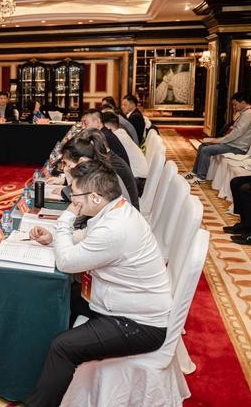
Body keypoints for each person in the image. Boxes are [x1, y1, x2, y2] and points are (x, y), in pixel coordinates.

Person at [23, 160, 170, 406]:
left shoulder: (115, 229)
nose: (72, 199)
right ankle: (38, 368)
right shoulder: (117, 208)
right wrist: (54, 238)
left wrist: (66, 218)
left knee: (63, 347)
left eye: (74, 194)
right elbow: (88, 237)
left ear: (94, 197)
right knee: (59, 295)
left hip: (138, 324)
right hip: (118, 300)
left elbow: (66, 262)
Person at [184, 92, 251, 184]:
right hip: (232, 144)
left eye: (235, 105)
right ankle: (194, 173)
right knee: (202, 146)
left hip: (237, 148)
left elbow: (236, 133)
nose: (234, 107)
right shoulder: (244, 113)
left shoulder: (248, 114)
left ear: (243, 102)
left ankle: (201, 178)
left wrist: (219, 140)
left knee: (206, 150)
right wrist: (219, 140)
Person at [61, 129, 140, 210]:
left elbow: (77, 202)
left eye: (68, 165)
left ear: (82, 161)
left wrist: (70, 178)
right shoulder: (102, 166)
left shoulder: (101, 175)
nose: (66, 168)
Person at [102, 111, 148, 181]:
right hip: (139, 176)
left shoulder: (116, 137)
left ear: (107, 127)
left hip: (137, 178)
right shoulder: (121, 133)